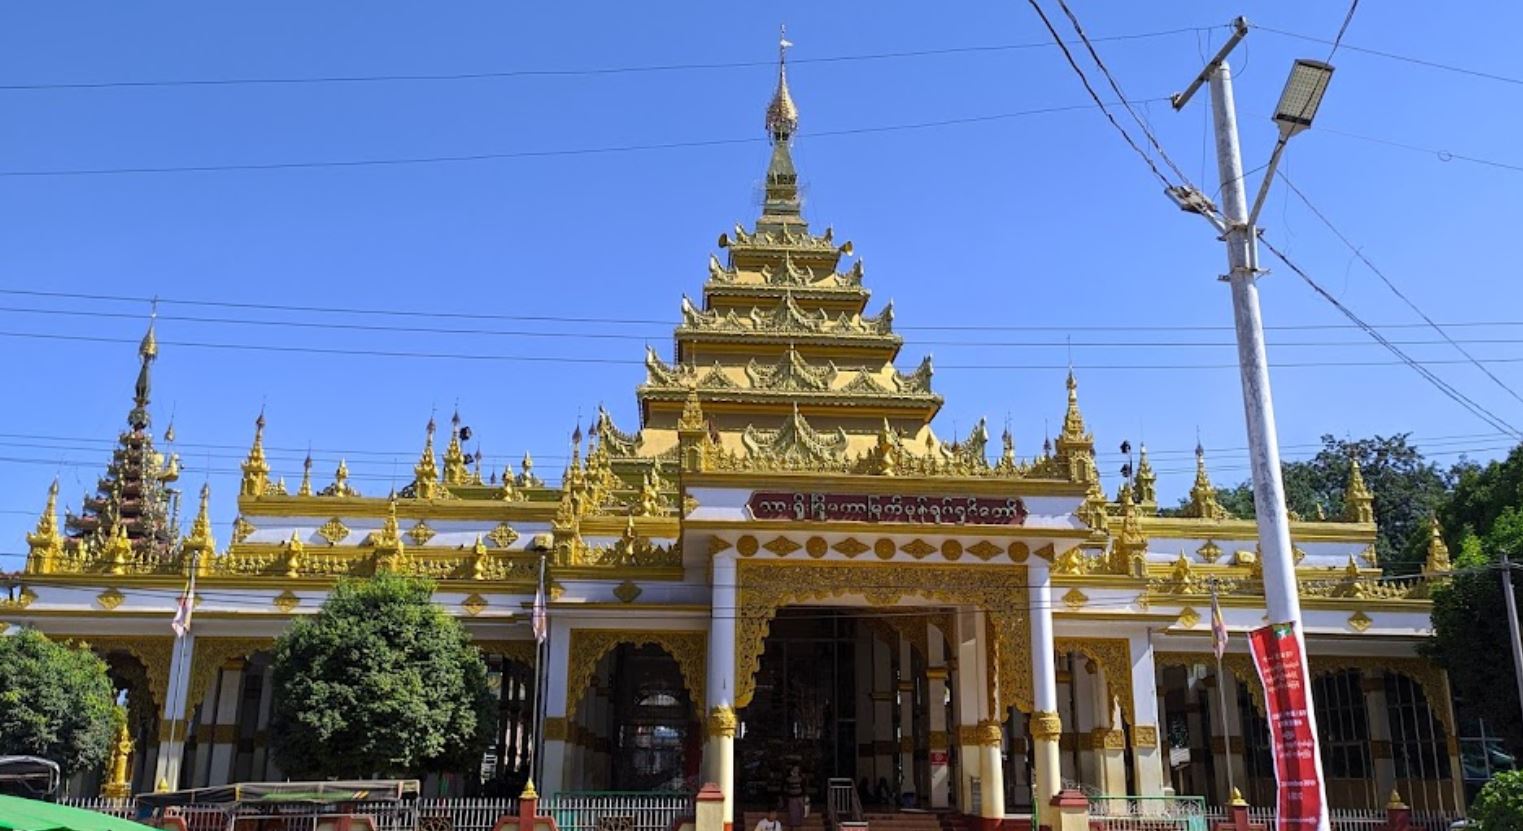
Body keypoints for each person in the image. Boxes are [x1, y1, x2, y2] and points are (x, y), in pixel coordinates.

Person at [784, 765, 806, 830]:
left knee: (800, 811)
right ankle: (793, 827)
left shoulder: (801, 779)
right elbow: (785, 788)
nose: (796, 770)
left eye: (797, 769)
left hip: (800, 797)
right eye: (795, 769)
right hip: (791, 798)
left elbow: (803, 788)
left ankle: (799, 825)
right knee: (792, 812)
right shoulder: (788, 779)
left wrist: (804, 796)